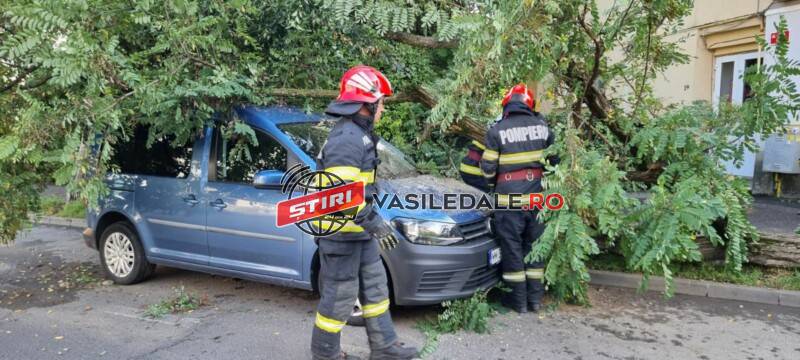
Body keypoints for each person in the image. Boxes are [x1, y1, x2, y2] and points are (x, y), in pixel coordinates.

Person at [311, 65, 418, 360]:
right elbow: (341, 195)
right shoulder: (346, 138)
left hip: (359, 233)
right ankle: (325, 355)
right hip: (340, 234)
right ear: (366, 104)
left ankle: (384, 347)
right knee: (339, 297)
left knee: (375, 289)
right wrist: (374, 222)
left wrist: (372, 219)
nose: (383, 108)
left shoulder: (358, 135)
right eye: (380, 102)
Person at [480, 84, 557, 313]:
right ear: (530, 106)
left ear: (507, 105)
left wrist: (495, 186)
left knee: (512, 248)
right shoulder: (544, 129)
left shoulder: (497, 131)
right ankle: (535, 300)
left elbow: (487, 169)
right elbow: (555, 165)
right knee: (535, 248)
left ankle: (518, 302)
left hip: (508, 199)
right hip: (538, 198)